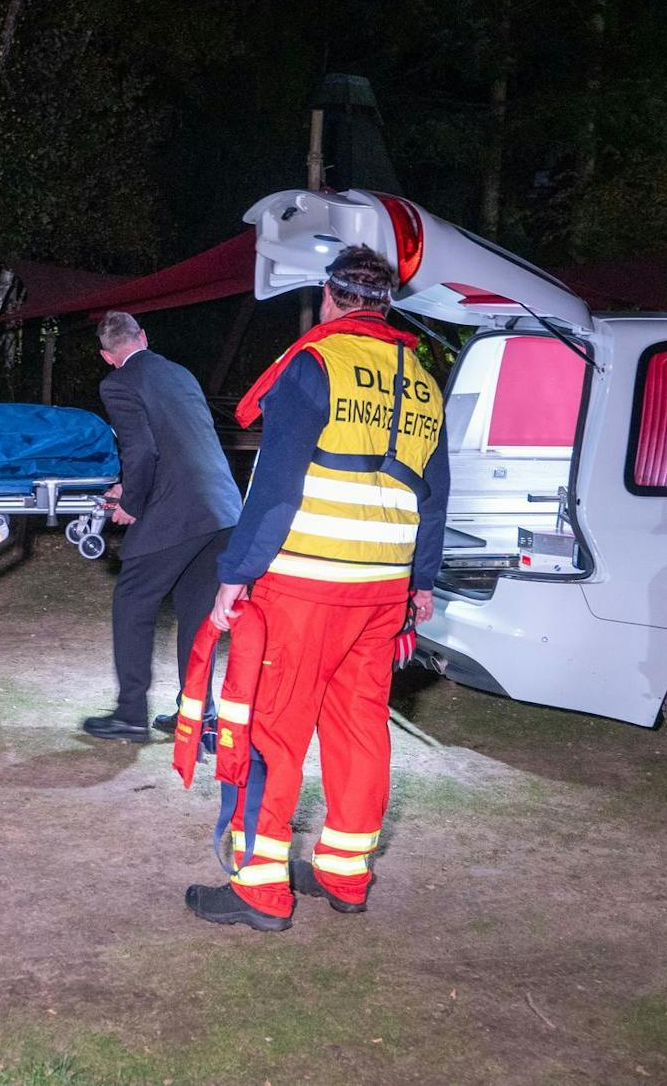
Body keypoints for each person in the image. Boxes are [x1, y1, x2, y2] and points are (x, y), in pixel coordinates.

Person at [185, 247, 448, 930]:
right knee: (360, 730)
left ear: (330, 298)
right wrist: (420, 582)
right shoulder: (422, 379)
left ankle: (261, 890)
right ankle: (345, 873)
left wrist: (235, 573)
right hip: (383, 591)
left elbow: (276, 488)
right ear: (386, 304)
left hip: (307, 583)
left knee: (271, 729)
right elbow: (434, 494)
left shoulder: (316, 362)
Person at [81, 312, 241, 743]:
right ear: (143, 337)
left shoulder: (118, 383)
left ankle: (131, 714)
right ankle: (198, 714)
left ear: (106, 356)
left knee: (132, 600)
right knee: (197, 614)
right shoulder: (180, 374)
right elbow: (179, 446)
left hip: (179, 512)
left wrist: (130, 503)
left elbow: (141, 450)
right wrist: (129, 488)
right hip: (222, 510)